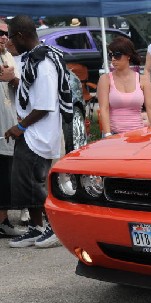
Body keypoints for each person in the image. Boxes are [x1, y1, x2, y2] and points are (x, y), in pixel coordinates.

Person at [3, 15, 73, 248]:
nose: (10, 41)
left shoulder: (43, 64)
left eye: (11, 36)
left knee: (33, 184)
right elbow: (29, 91)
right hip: (32, 131)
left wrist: (19, 127)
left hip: (38, 132)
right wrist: (14, 80)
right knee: (24, 183)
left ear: (21, 36)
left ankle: (55, 228)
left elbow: (44, 106)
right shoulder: (32, 59)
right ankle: (36, 228)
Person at [98, 36, 151, 137]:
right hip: (114, 134)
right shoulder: (105, 79)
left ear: (128, 56)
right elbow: (104, 108)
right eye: (110, 55)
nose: (113, 59)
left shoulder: (143, 80)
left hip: (139, 133)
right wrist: (108, 134)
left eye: (117, 55)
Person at [0, 20, 23, 237]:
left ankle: (3, 219)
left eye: (6, 34)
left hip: (7, 125)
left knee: (5, 174)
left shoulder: (8, 57)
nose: (3, 37)